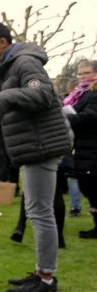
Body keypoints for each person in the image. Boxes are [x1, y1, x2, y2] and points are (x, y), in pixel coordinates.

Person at [0, 22, 71, 292]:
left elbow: (41, 93)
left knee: (40, 213)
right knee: (37, 211)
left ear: (2, 42)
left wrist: (2, 100)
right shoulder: (10, 66)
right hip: (34, 146)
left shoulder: (25, 62)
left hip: (41, 145)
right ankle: (43, 272)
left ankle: (46, 279)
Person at [65, 58, 97, 238]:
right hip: (83, 146)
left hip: (93, 146)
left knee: (92, 186)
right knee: (88, 187)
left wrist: (69, 118)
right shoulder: (79, 93)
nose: (82, 77)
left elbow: (92, 116)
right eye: (80, 74)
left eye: (87, 73)